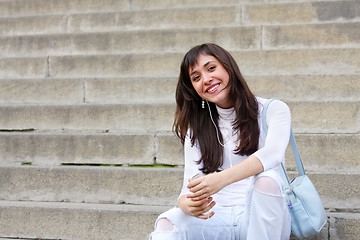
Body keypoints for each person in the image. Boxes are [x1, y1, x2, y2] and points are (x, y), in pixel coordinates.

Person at [149, 43, 292, 240]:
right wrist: (187, 204)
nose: (206, 79)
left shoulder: (272, 109)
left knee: (267, 180)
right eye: (196, 78)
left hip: (262, 215)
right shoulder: (197, 128)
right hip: (219, 216)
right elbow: (187, 187)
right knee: (167, 223)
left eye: (211, 68)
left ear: (228, 67)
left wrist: (221, 179)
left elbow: (273, 154)